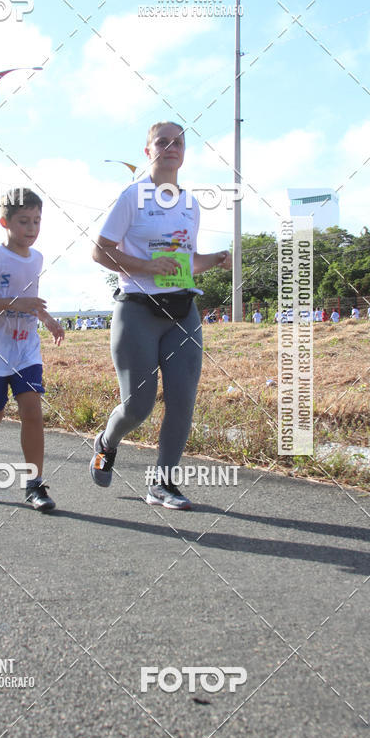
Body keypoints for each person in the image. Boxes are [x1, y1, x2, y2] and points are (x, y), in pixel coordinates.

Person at [90, 121, 231, 510]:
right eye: (162, 142)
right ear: (148, 151)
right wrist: (146, 267)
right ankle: (106, 443)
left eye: (178, 142)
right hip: (138, 309)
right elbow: (100, 251)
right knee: (138, 406)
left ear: (184, 152)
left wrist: (215, 259)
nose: (171, 147)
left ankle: (163, 483)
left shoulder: (191, 204)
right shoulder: (132, 197)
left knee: (182, 402)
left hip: (183, 310)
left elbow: (185, 262)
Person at [0, 188, 64, 511]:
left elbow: (31, 299)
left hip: (25, 350)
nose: (31, 228)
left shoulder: (37, 259)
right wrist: (12, 303)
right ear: (5, 222)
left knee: (32, 410)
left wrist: (48, 319)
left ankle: (35, 485)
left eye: (37, 221)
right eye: (23, 221)